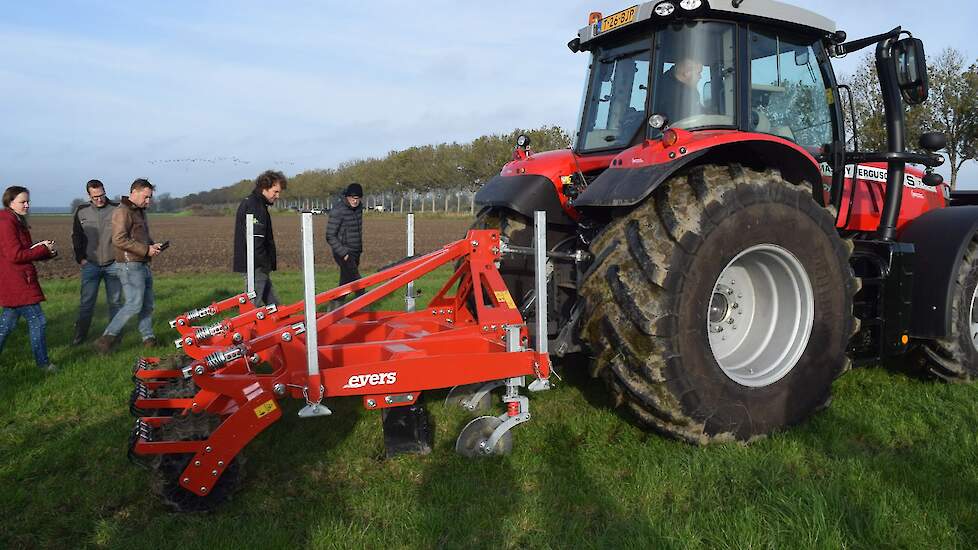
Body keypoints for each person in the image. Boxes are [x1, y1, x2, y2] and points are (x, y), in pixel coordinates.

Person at [94, 179, 165, 353]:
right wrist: (145, 250)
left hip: (141, 263)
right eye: (146, 197)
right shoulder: (122, 211)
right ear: (134, 192)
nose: (148, 201)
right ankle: (106, 339)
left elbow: (139, 237)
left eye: (150, 198)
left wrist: (152, 245)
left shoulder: (138, 211)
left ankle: (149, 339)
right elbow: (119, 239)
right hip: (129, 265)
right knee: (134, 304)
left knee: (147, 305)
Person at [0, 186, 58, 372]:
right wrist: (41, 249)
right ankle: (43, 364)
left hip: (16, 281)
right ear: (10, 203)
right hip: (17, 282)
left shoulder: (15, 220)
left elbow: (24, 252)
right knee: (38, 321)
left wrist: (46, 251)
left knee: (7, 325)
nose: (27, 204)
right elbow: (15, 255)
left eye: (28, 201)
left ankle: (42, 363)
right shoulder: (7, 222)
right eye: (22, 201)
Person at [70, 179, 122, 345]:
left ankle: (114, 336)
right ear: (89, 195)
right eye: (95, 197)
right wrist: (81, 258)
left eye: (101, 195)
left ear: (105, 191)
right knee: (86, 303)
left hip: (113, 264)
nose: (99, 199)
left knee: (115, 302)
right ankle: (80, 336)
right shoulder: (81, 211)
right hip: (90, 264)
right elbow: (76, 236)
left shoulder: (117, 209)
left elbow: (126, 233)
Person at [232, 170, 285, 307]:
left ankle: (283, 322)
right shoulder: (256, 206)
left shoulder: (254, 203)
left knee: (272, 303)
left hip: (256, 262)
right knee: (252, 305)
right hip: (256, 264)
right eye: (275, 191)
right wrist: (264, 263)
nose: (278, 196)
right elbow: (256, 240)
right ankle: (249, 327)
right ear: (264, 188)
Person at [326, 183, 365, 299]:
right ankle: (365, 309)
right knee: (358, 284)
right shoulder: (338, 211)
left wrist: (359, 249)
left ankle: (335, 308)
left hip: (356, 250)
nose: (355, 201)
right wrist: (344, 253)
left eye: (357, 198)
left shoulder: (359, 208)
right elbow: (330, 235)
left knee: (345, 283)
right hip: (343, 252)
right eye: (353, 198)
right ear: (347, 197)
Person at [654, 56, 705, 123]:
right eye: (698, 73)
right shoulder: (665, 92)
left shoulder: (688, 88)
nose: (700, 77)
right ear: (687, 73)